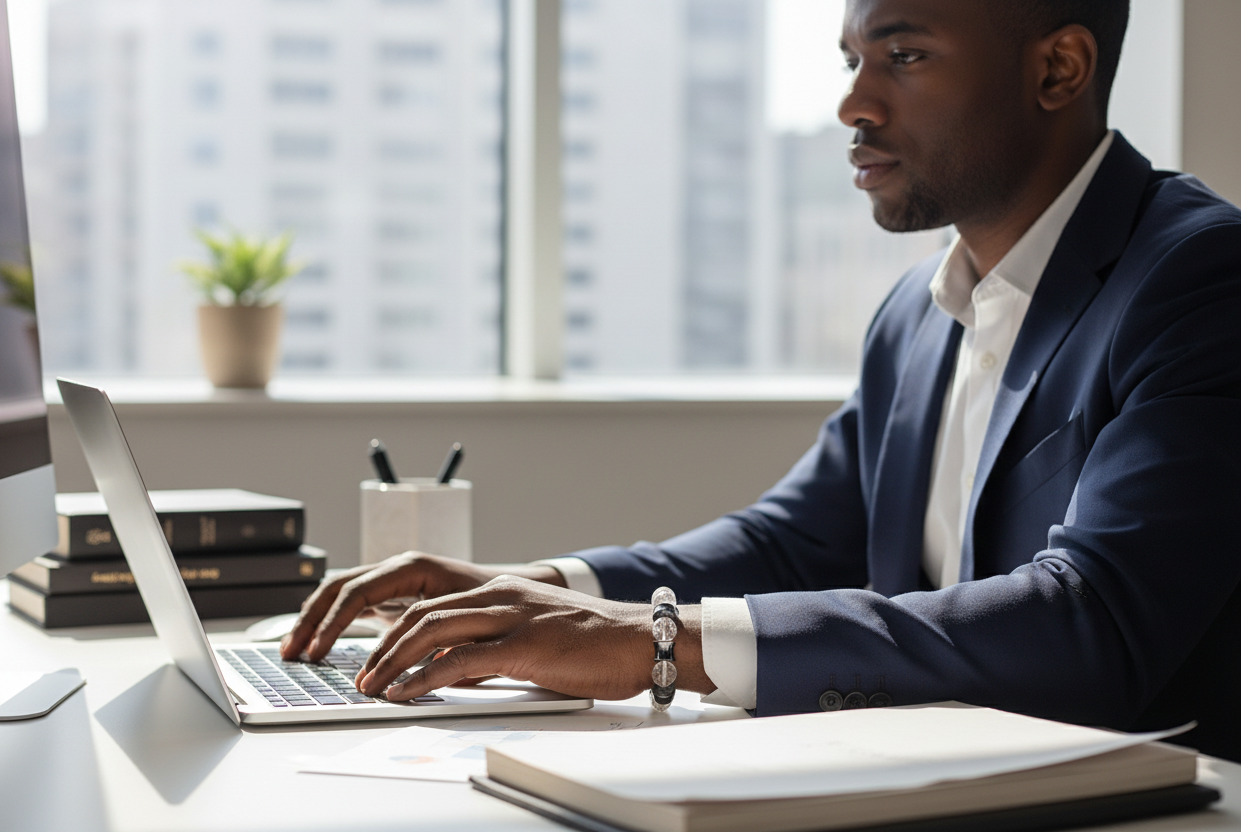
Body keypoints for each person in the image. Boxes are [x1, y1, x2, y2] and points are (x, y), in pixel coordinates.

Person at [283, 0, 1241, 759]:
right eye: (850, 61)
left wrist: (656, 644)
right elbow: (790, 546)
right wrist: (542, 588)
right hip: (934, 776)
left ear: (1057, 68)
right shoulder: (917, 312)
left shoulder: (1198, 279)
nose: (854, 106)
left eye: (902, 57)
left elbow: (1095, 620)